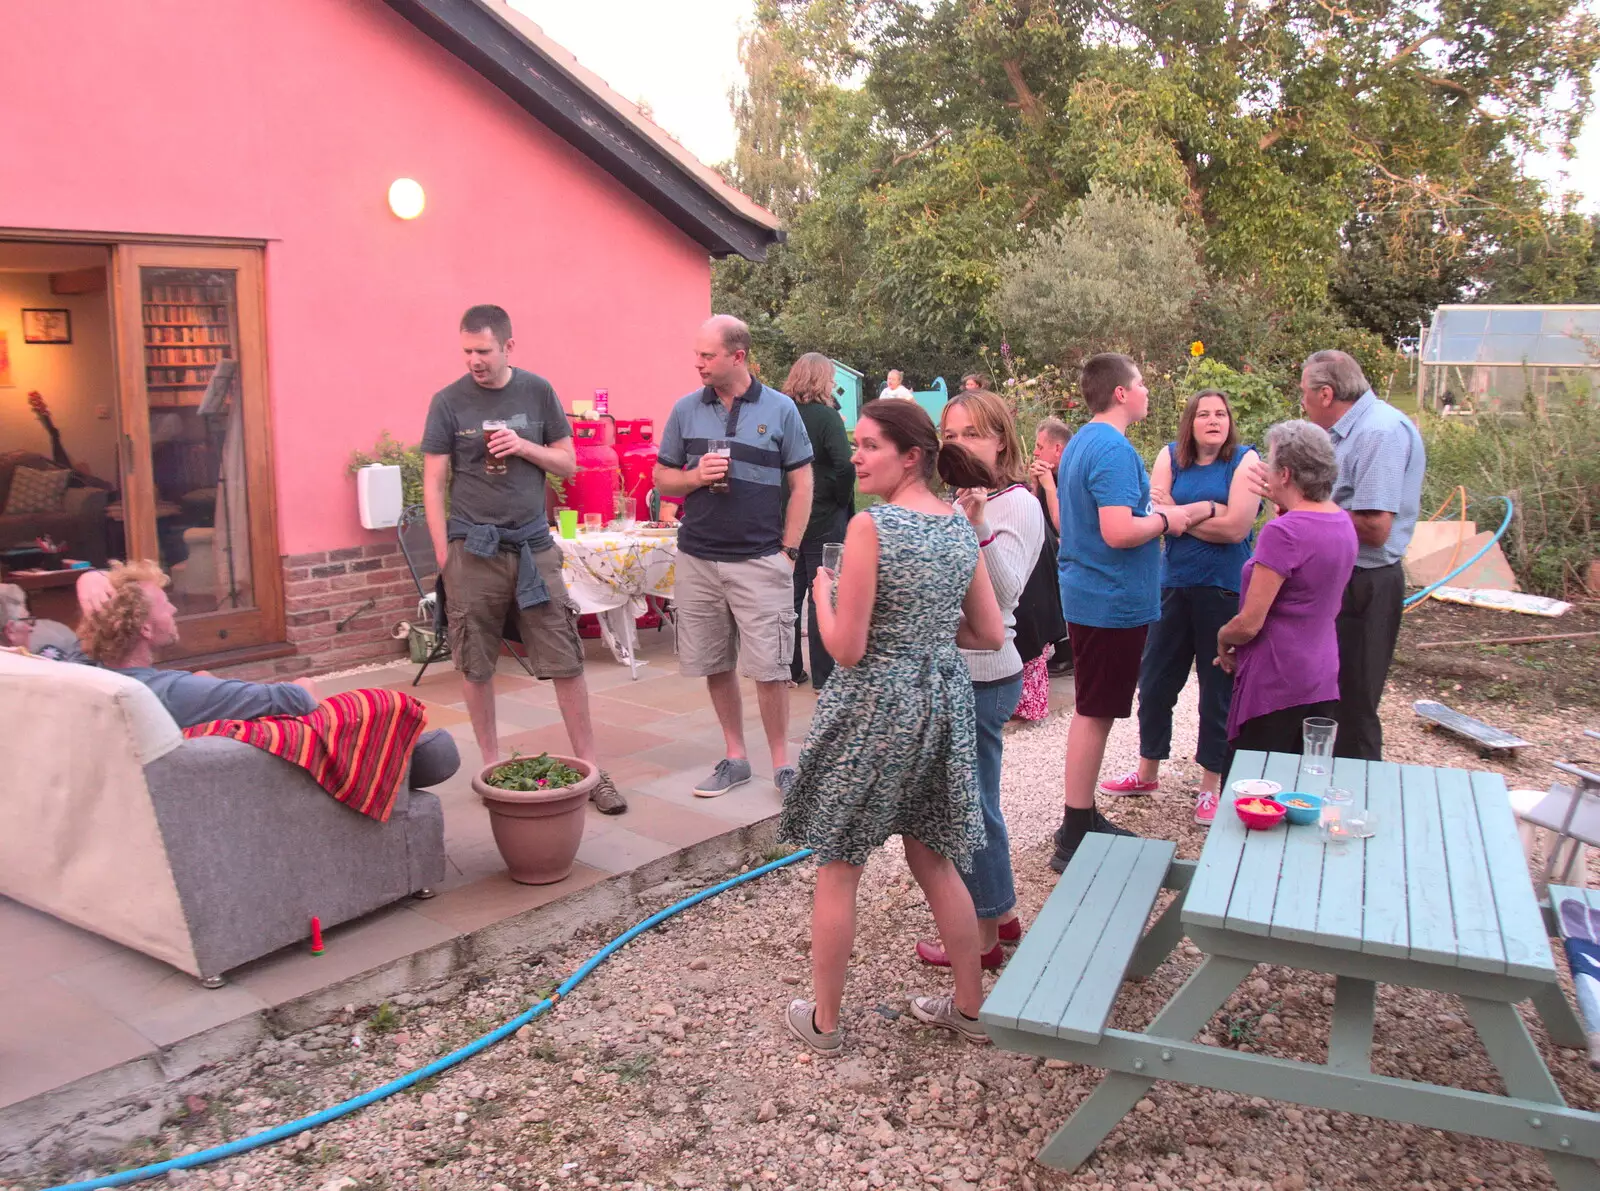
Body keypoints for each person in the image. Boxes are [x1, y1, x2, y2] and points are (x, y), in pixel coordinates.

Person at [779, 399, 1005, 1054]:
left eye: (870, 444)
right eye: (856, 443)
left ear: (911, 456)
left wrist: (823, 597)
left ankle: (824, 1021)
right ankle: (969, 1007)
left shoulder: (872, 528)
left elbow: (846, 649)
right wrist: (928, 627)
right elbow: (988, 633)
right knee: (934, 858)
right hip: (939, 701)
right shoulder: (960, 529)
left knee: (839, 863)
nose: (856, 455)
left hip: (875, 706)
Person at [420, 305, 624, 812]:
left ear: (509, 347)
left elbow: (569, 461)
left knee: (565, 659)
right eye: (467, 351)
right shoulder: (447, 402)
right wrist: (446, 554)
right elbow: (433, 481)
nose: (474, 361)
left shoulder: (538, 392)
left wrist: (524, 446)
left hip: (533, 548)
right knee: (474, 663)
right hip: (475, 548)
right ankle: (491, 768)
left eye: (483, 351)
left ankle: (592, 771)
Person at [73, 562, 461, 786]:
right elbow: (298, 698)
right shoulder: (177, 692)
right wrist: (209, 688)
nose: (174, 610)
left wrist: (88, 576)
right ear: (143, 628)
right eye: (164, 604)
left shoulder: (86, 674)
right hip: (249, 781)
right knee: (402, 731)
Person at [653, 316, 814, 797]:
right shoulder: (685, 410)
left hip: (760, 558)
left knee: (770, 668)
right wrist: (695, 477)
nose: (697, 363)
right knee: (714, 661)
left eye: (707, 355)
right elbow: (664, 479)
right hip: (699, 557)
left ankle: (783, 763)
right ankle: (735, 757)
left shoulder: (781, 409)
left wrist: (789, 551)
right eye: (697, 354)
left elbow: (802, 483)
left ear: (737, 356)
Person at [912, 389, 1042, 972]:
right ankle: (1001, 913)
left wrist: (978, 523)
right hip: (961, 670)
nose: (956, 444)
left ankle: (985, 936)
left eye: (969, 434)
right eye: (949, 434)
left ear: (999, 441)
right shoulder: (954, 499)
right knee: (975, 799)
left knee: (972, 807)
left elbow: (1007, 589)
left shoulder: (1016, 504)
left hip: (984, 674)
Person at [1050, 354, 1195, 874]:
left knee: (1095, 707)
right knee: (1095, 711)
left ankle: (1081, 817)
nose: (1146, 390)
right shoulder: (1111, 448)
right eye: (1141, 383)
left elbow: (1080, 521)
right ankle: (1074, 829)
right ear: (1119, 393)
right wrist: (1165, 518)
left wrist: (1146, 512)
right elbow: (1116, 531)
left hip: (1093, 593)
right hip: (1110, 599)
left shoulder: (1084, 442)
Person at [1098, 390, 1261, 823]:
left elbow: (1236, 529)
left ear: (1230, 421)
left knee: (1216, 689)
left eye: (1221, 413)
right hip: (1171, 587)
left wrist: (1180, 519)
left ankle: (1211, 784)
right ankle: (1147, 769)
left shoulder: (1245, 460)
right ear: (1189, 422)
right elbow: (1156, 512)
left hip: (1223, 590)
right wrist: (1210, 508)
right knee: (1154, 682)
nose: (1213, 420)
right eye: (1203, 414)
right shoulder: (1170, 456)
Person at [1297, 350, 1425, 760]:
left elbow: (1374, 529)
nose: (1301, 401)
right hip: (1341, 578)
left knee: (1353, 704)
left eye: (1304, 393)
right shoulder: (1347, 433)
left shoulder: (1379, 433)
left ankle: (1360, 804)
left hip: (1366, 584)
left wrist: (1304, 507)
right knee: (1324, 698)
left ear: (1327, 393)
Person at [1216, 422, 1358, 762]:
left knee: (1253, 788)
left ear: (1286, 474)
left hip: (1277, 681)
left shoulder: (1284, 533)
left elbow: (1250, 623)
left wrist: (1223, 637)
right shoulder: (1341, 522)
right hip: (1322, 674)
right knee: (1302, 786)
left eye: (1272, 463)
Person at [784, 353, 855, 690]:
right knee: (822, 593)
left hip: (787, 517)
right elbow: (844, 464)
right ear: (821, 379)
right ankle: (824, 677)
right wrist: (840, 500)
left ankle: (789, 668)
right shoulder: (827, 417)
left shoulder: (782, 413)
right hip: (824, 513)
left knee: (790, 592)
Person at [1027, 417, 1074, 679]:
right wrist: (1035, 485)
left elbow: (1062, 525)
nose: (1035, 452)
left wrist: (1048, 485)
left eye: (1039, 446)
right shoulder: (1049, 475)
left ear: (1057, 449)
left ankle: (1066, 647)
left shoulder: (1070, 474)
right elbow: (1034, 516)